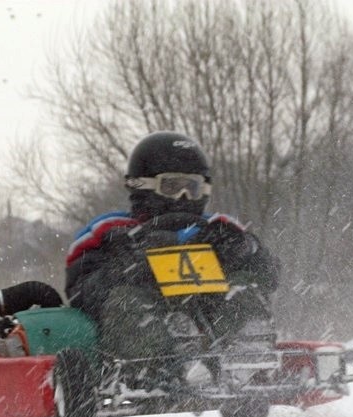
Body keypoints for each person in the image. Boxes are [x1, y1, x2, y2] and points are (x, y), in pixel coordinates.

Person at [64, 131, 279, 376]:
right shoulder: (109, 230)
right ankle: (175, 361)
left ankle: (247, 355)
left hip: (211, 316)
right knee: (126, 302)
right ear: (142, 186)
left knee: (242, 288)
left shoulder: (220, 228)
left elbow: (269, 277)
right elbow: (80, 293)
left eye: (192, 188)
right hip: (146, 320)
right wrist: (133, 265)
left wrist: (245, 249)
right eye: (172, 187)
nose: (183, 197)